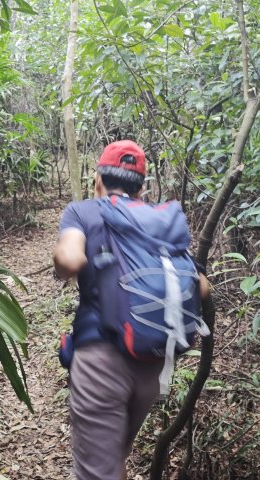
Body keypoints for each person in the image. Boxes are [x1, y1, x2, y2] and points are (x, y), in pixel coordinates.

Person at [53, 140, 210, 480]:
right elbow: (203, 286)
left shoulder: (81, 212)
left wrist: (64, 265)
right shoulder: (156, 221)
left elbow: (70, 259)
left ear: (98, 180)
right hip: (152, 365)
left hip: (102, 363)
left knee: (97, 471)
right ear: (141, 187)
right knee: (114, 456)